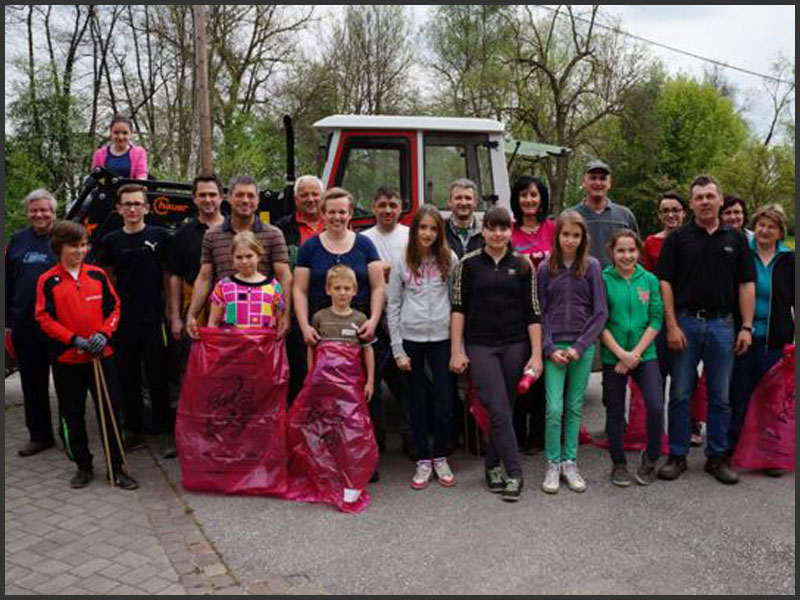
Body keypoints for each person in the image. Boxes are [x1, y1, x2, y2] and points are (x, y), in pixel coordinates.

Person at [656, 175, 755, 485]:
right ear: (692, 203)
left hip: (723, 325)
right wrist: (671, 325)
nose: (704, 202)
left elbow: (746, 283)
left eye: (710, 196)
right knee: (681, 393)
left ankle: (717, 457)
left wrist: (747, 327)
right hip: (685, 322)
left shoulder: (736, 239)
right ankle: (677, 454)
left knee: (720, 396)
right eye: (698, 197)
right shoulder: (678, 239)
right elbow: (665, 283)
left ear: (720, 199)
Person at [35, 220, 138, 490]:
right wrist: (73, 339)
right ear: (59, 247)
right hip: (68, 359)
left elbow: (114, 308)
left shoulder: (97, 275)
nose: (80, 251)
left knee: (110, 411)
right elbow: (44, 318)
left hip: (102, 355)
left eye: (83, 245)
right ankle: (83, 465)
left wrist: (103, 334)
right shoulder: (48, 280)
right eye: (74, 246)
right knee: (73, 413)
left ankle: (116, 468)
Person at [450, 206, 543, 502]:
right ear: (484, 230)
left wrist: (536, 355)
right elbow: (458, 309)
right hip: (481, 346)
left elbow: (533, 312)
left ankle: (492, 465)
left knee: (505, 409)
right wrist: (456, 349)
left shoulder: (523, 264)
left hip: (516, 345)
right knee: (499, 409)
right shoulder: (468, 264)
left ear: (509, 230)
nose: (498, 234)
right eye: (492, 228)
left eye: (503, 228)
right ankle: (515, 472)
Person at [95, 184, 172, 452]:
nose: (132, 209)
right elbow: (107, 278)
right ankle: (134, 429)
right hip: (122, 322)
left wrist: (169, 311)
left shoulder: (161, 237)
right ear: (118, 209)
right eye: (127, 204)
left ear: (147, 208)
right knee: (127, 377)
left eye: (137, 204)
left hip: (154, 319)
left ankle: (163, 430)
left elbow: (167, 276)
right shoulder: (110, 241)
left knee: (158, 377)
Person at [387, 205, 458, 489]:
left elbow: (457, 305)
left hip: (441, 337)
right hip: (411, 339)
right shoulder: (401, 260)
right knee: (415, 403)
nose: (427, 233)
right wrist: (397, 349)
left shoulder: (448, 258)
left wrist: (458, 347)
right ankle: (423, 459)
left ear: (439, 232)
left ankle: (440, 456)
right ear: (414, 229)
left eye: (433, 228)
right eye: (422, 227)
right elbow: (393, 305)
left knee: (443, 403)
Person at [537, 210, 607, 494]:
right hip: (554, 348)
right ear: (557, 236)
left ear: (582, 239)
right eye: (565, 234)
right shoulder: (545, 268)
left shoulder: (591, 266)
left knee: (574, 407)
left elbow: (600, 312)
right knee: (554, 408)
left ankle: (570, 462)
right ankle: (552, 463)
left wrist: (580, 346)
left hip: (581, 347)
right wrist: (550, 347)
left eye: (575, 235)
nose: (570, 240)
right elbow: (539, 312)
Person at [727, 204, 794, 473]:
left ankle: (770, 454)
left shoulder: (789, 260)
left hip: (776, 340)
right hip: (743, 335)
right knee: (740, 393)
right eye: (762, 225)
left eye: (772, 227)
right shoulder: (744, 254)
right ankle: (733, 447)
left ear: (780, 232)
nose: (765, 230)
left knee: (772, 398)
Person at [186, 175, 292, 340]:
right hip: (226, 325)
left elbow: (284, 277)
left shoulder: (273, 234)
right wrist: (192, 315)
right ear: (228, 198)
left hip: (264, 328)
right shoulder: (212, 235)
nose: (245, 200)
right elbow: (205, 277)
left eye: (251, 196)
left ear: (258, 200)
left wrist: (285, 316)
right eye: (240, 195)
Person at [305, 264, 376, 507]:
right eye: (337, 288)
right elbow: (312, 348)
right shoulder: (320, 318)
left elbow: (368, 351)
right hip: (324, 385)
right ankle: (330, 472)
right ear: (328, 290)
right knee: (328, 428)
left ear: (355, 291)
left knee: (352, 429)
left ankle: (354, 472)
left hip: (351, 388)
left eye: (347, 288)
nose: (342, 293)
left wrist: (370, 381)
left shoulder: (360, 319)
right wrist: (310, 376)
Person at [600, 230, 664, 487]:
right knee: (614, 411)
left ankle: (651, 458)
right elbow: (600, 321)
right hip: (612, 354)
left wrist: (635, 354)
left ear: (638, 251)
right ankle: (618, 463)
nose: (627, 256)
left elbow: (656, 318)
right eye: (621, 251)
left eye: (631, 250)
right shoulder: (603, 279)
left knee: (656, 405)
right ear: (612, 253)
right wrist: (621, 355)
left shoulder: (648, 279)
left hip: (644, 353)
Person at [642, 191, 705, 446]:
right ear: (659, 215)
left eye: (675, 210)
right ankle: (656, 427)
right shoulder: (651, 243)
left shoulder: (695, 239)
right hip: (658, 314)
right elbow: (645, 279)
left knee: (686, 374)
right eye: (665, 210)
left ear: (684, 212)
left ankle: (691, 422)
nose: (670, 214)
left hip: (687, 312)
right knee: (659, 372)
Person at [293, 187, 384, 347]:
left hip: (359, 326)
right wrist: (305, 327)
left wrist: (373, 321)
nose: (337, 217)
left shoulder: (365, 245)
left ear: (350, 214)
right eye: (331, 212)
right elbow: (300, 290)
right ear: (323, 214)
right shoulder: (309, 247)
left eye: (342, 212)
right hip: (321, 328)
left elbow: (378, 287)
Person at [361, 186, 414, 456]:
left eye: (393, 205)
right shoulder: (363, 239)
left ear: (401, 208)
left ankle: (411, 439)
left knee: (407, 383)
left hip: (406, 318)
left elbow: (413, 269)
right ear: (373, 207)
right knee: (374, 386)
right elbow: (364, 274)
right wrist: (390, 268)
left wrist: (383, 268)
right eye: (382, 205)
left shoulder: (410, 235)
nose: (387, 210)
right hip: (374, 319)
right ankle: (375, 442)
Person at [5, 189, 58, 456]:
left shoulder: (65, 237)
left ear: (53, 212)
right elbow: (7, 281)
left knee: (67, 385)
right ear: (28, 213)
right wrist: (7, 320)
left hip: (60, 326)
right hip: (25, 324)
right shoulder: (17, 240)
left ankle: (73, 436)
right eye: (34, 210)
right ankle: (40, 436)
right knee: (32, 383)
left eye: (44, 210)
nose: (39, 214)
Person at [509, 175, 556, 455]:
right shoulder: (510, 231)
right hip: (517, 314)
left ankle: (538, 436)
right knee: (518, 373)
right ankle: (516, 433)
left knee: (543, 377)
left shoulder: (554, 228)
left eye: (534, 195)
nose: (529, 199)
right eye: (524, 194)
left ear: (542, 199)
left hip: (549, 314)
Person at [275, 175, 326, 401]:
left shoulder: (336, 222)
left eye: (315, 194)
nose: (311, 199)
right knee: (300, 370)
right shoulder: (282, 229)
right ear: (296, 199)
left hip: (332, 307)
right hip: (296, 309)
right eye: (304, 195)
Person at [168, 174, 225, 341]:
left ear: (222, 197)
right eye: (202, 195)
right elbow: (175, 277)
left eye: (212, 194)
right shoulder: (182, 234)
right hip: (194, 306)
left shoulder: (234, 230)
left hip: (229, 307)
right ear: (194, 199)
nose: (208, 199)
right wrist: (176, 317)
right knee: (194, 360)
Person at [207, 231, 286, 330]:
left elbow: (279, 325)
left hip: (263, 344)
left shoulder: (274, 286)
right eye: (239, 257)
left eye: (249, 256)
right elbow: (213, 324)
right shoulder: (223, 286)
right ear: (232, 258)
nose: (244, 261)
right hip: (230, 344)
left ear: (259, 256)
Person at [571, 160, 639, 268]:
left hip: (617, 281)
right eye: (593, 178)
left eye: (603, 178)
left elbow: (636, 254)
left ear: (609, 183)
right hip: (581, 281)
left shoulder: (625, 216)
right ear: (583, 182)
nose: (598, 183)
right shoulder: (570, 216)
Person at [91, 114, 148, 179]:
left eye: (125, 133)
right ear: (111, 132)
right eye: (116, 133)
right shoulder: (99, 154)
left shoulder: (139, 153)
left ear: (131, 133)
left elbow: (141, 175)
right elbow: (97, 178)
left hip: (133, 188)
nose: (120, 137)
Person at [444, 178, 484, 259]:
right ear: (449, 202)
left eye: (468, 198)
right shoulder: (440, 231)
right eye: (458, 198)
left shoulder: (486, 232)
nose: (463, 203)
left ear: (475, 202)